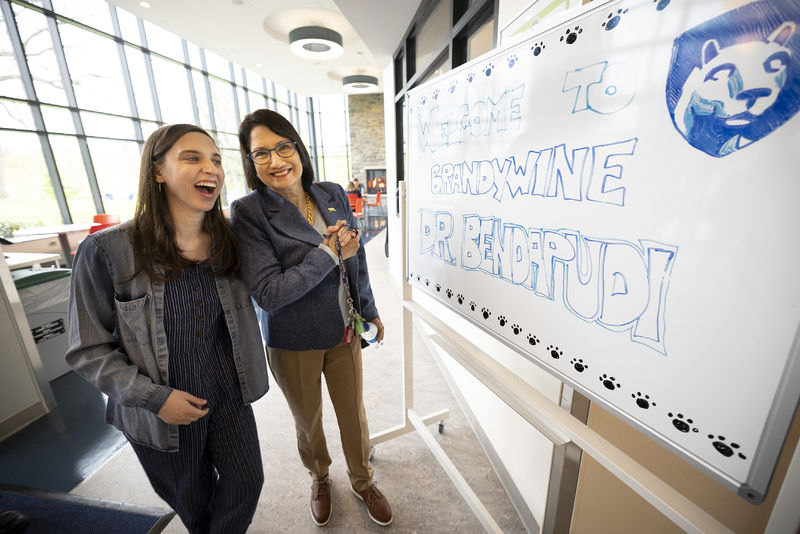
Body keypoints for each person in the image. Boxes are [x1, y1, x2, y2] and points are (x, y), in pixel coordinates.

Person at [66, 124, 268, 534]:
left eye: (216, 160)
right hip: (159, 412)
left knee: (247, 483)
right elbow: (87, 350)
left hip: (229, 394)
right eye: (192, 157)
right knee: (193, 504)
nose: (210, 168)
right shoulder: (108, 250)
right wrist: (154, 398)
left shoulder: (231, 239)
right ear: (158, 171)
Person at [230, 109, 392, 527]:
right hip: (292, 338)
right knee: (309, 421)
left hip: (343, 331)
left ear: (299, 149)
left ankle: (363, 479)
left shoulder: (331, 193)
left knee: (353, 413)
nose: (276, 160)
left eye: (283, 146)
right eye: (260, 153)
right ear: (250, 163)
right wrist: (326, 253)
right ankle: (320, 476)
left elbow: (357, 263)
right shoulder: (249, 212)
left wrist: (369, 311)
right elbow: (268, 292)